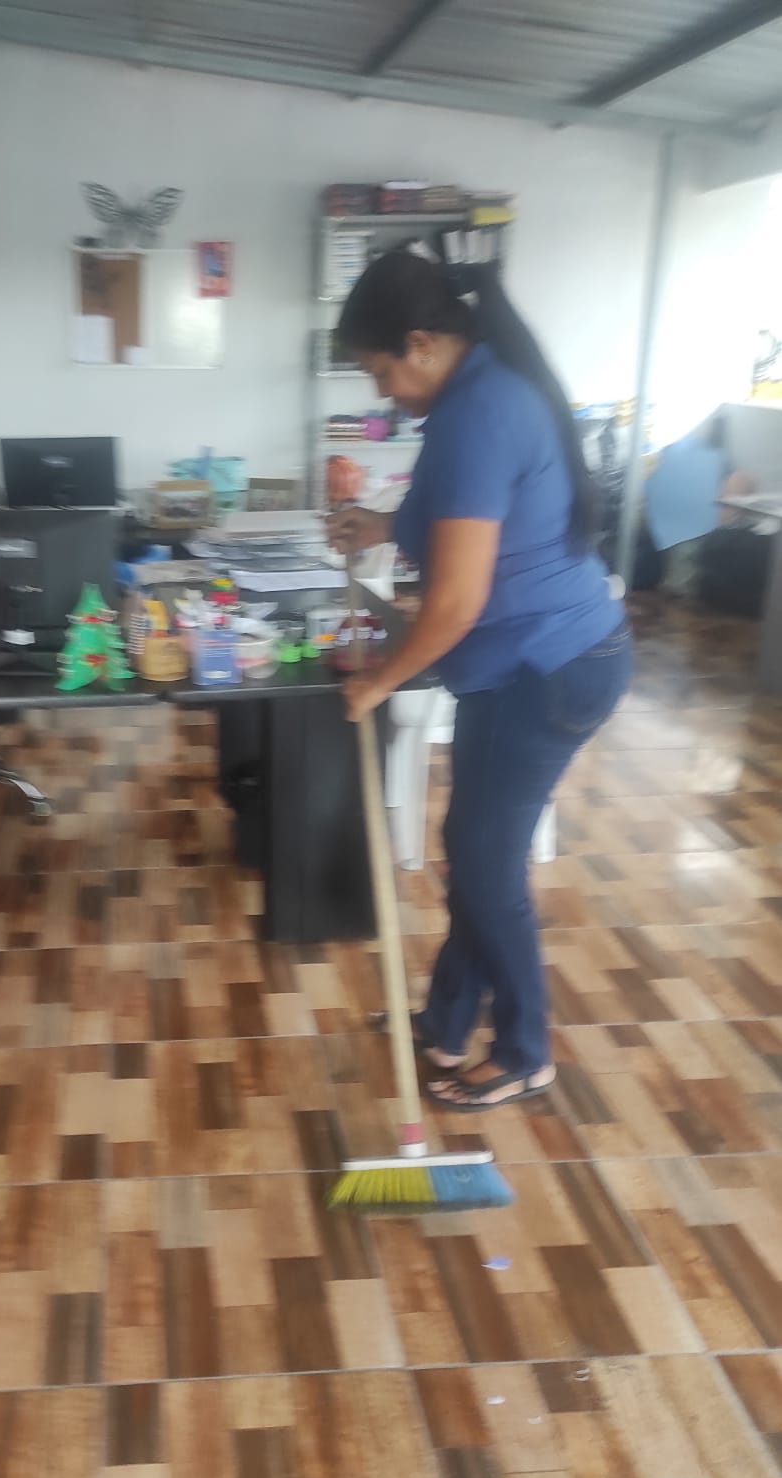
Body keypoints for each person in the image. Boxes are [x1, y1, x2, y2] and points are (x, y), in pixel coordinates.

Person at [328, 248, 631, 1110]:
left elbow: (456, 603)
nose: (383, 391)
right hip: (534, 663)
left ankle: (526, 1051)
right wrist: (381, 524)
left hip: (543, 669)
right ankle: (445, 1022)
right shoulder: (480, 393)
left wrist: (378, 682)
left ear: (421, 343)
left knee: (485, 863)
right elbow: (471, 521)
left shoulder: (479, 412)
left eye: (381, 371)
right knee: (474, 850)